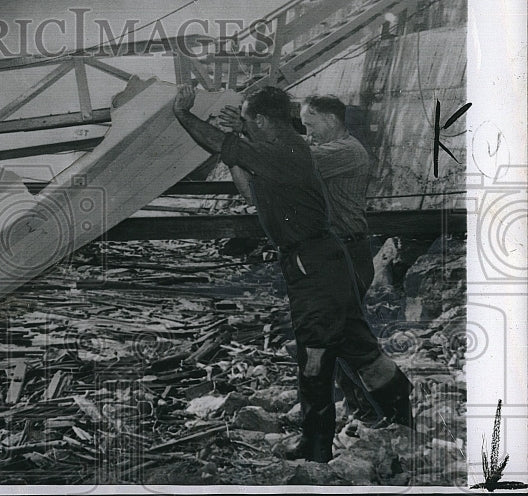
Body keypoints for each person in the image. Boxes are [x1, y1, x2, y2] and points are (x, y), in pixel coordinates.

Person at [173, 84, 411, 463]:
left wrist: (184, 115)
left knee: (315, 356)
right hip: (324, 260)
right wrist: (238, 139)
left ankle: (315, 447)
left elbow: (221, 143)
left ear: (263, 122)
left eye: (251, 122)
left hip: (313, 265)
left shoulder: (287, 151)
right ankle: (401, 415)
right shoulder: (279, 151)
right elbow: (247, 183)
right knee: (357, 346)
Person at [298, 95, 380, 424]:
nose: (307, 132)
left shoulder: (345, 152)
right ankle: (361, 405)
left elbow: (293, 160)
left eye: (310, 124)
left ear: (330, 121)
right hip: (338, 254)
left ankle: (375, 407)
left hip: (347, 253)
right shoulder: (335, 147)